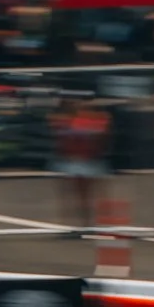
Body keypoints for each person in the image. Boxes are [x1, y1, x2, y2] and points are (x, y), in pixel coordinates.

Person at [51, 94, 111, 231]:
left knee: (88, 193)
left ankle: (89, 222)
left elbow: (100, 137)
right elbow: (61, 140)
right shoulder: (61, 121)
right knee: (70, 194)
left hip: (88, 160)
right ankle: (72, 223)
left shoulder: (94, 119)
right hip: (71, 160)